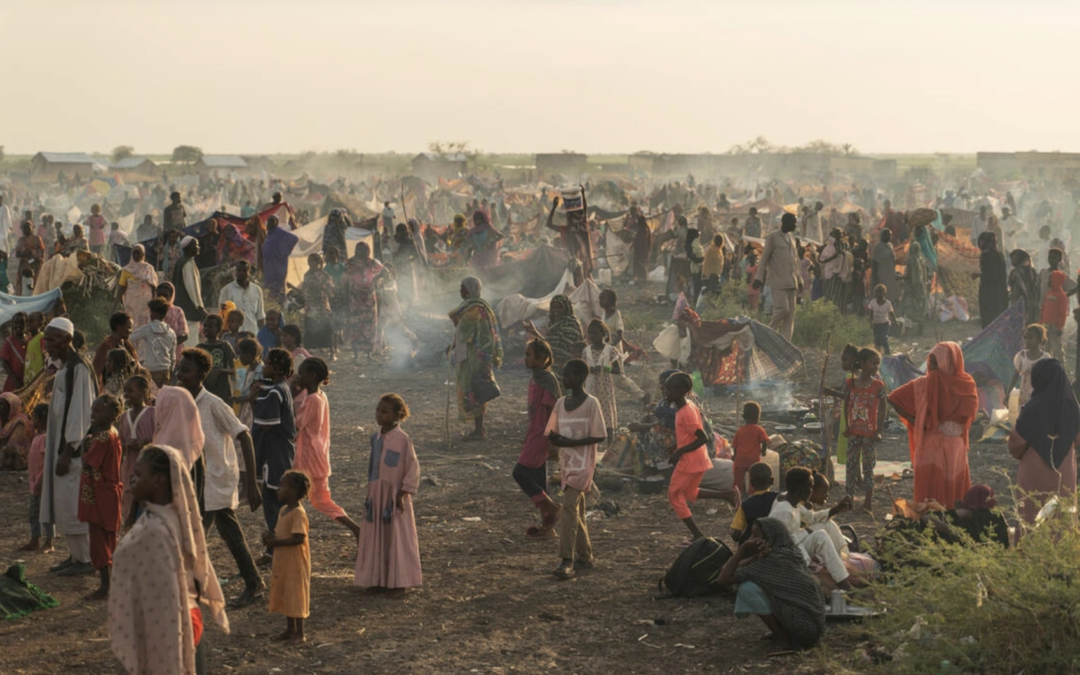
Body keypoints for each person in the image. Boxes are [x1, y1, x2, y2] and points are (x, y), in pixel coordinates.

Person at [109, 445, 229, 675]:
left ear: (158, 480)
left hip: (167, 632)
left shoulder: (157, 531)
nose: (132, 478)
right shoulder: (167, 518)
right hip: (179, 624)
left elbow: (166, 601)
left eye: (139, 473)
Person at [175, 348, 266, 608]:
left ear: (202, 374)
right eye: (179, 369)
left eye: (186, 371)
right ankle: (253, 582)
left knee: (194, 536)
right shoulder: (182, 402)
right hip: (194, 479)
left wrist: (251, 482)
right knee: (230, 534)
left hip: (215, 479)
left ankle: (190, 591)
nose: (180, 375)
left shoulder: (214, 404)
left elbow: (244, 435)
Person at [714, 518, 826, 650]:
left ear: (769, 539)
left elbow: (722, 579)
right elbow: (735, 570)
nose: (750, 539)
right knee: (768, 591)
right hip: (812, 627)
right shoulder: (791, 552)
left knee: (747, 589)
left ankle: (784, 640)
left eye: (755, 536)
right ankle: (782, 633)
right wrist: (755, 557)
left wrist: (742, 550)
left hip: (803, 629)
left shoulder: (770, 563)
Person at [42, 317, 98, 578]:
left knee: (73, 503)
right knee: (64, 503)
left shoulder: (79, 369)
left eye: (52, 339)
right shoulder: (65, 367)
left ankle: (85, 558)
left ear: (67, 339)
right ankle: (75, 555)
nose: (47, 344)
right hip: (61, 447)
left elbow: (81, 413)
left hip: (72, 452)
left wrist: (67, 451)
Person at [889, 342, 977, 506]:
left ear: (951, 362)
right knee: (941, 495)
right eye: (932, 363)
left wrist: (920, 420)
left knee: (940, 494)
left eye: (938, 362)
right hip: (940, 444)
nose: (934, 368)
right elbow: (894, 398)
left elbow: (894, 399)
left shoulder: (961, 383)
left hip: (949, 446)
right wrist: (917, 420)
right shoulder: (962, 384)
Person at [354, 393, 422, 589]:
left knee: (394, 537)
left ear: (397, 415)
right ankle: (376, 579)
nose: (379, 415)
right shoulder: (375, 438)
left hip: (394, 497)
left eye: (384, 412)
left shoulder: (402, 439)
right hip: (376, 494)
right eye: (377, 411)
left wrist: (402, 494)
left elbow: (412, 467)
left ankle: (396, 580)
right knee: (375, 536)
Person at [546, 359, 606, 579]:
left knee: (569, 508)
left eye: (569, 375)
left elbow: (600, 435)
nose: (564, 379)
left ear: (581, 377)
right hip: (567, 463)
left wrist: (569, 442)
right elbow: (552, 431)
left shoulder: (591, 403)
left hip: (583, 463)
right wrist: (556, 441)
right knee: (577, 510)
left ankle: (566, 560)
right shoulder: (561, 403)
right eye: (563, 374)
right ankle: (585, 555)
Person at [1010, 358, 1080, 530]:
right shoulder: (1072, 407)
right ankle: (1060, 554)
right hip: (1064, 469)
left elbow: (1016, 443)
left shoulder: (1032, 408)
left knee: (1031, 513)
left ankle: (1031, 551)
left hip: (1034, 468)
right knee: (1062, 514)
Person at [293, 357, 359, 536]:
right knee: (320, 500)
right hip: (317, 455)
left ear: (312, 376)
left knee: (303, 498)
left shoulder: (313, 399)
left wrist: (290, 395)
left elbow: (296, 425)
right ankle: (356, 530)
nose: (298, 378)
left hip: (309, 457)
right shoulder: (320, 396)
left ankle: (294, 534)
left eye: (301, 374)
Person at [665, 371, 730, 541]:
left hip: (690, 460)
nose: (667, 393)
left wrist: (679, 452)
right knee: (688, 492)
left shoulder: (686, 411)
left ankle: (697, 535)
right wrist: (676, 447)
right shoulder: (688, 406)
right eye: (666, 389)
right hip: (697, 458)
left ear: (683, 390)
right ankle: (727, 495)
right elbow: (690, 436)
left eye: (671, 389)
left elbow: (702, 437)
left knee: (674, 496)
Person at [769, 467, 853, 590]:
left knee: (821, 535)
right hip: (786, 557)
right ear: (804, 491)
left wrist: (837, 509)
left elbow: (810, 518)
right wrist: (811, 565)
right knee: (818, 537)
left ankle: (844, 581)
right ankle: (843, 584)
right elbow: (786, 544)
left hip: (796, 546)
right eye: (811, 487)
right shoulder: (784, 511)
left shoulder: (794, 503)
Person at [513, 339, 562, 537]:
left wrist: (551, 440)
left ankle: (550, 506)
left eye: (529, 355)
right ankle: (547, 526)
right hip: (535, 432)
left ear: (542, 358)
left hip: (543, 435)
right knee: (539, 478)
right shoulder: (535, 378)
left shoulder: (547, 380)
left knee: (521, 473)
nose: (525, 359)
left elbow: (554, 411)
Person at [77, 393, 123, 599]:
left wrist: (86, 445)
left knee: (99, 540)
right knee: (108, 538)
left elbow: (89, 462)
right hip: (109, 492)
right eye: (93, 410)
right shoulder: (112, 433)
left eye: (97, 411)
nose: (93, 415)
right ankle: (111, 583)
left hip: (99, 494)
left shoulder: (103, 437)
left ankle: (105, 587)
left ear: (112, 414)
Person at [253, 348, 297, 564]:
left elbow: (265, 425)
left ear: (277, 368)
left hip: (274, 455)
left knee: (273, 503)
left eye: (267, 362)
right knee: (275, 502)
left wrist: (253, 398)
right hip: (281, 452)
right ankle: (276, 547)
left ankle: (275, 549)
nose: (263, 366)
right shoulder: (281, 388)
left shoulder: (272, 393)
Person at [448, 277, 502, 440]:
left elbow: (485, 336)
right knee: (471, 390)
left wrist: (486, 360)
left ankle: (479, 429)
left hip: (477, 357)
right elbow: (462, 333)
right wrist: (452, 346)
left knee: (477, 390)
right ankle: (478, 429)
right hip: (469, 355)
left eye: (462, 288)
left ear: (470, 289)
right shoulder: (469, 308)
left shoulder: (478, 310)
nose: (460, 291)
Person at [262, 470, 310, 644]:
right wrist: (269, 537)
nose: (278, 489)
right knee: (286, 594)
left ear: (295, 490)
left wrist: (276, 543)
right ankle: (290, 629)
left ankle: (300, 633)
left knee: (296, 596)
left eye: (283, 486)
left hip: (295, 563)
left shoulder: (298, 513)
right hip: (283, 562)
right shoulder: (283, 510)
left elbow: (298, 538)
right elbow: (279, 532)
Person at [844, 348, 887, 513]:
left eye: (877, 363)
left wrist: (879, 430)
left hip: (870, 434)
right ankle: (849, 500)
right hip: (854, 432)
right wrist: (847, 426)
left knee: (868, 467)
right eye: (872, 362)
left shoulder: (878, 386)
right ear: (862, 363)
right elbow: (846, 404)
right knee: (851, 467)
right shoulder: (851, 383)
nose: (876, 366)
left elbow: (884, 408)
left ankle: (867, 503)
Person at [753, 212, 801, 341]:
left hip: (792, 282)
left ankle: (785, 344)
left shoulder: (792, 239)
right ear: (786, 223)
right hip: (778, 281)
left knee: (790, 317)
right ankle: (767, 334)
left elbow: (795, 261)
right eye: (794, 222)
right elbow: (764, 258)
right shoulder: (773, 237)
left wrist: (799, 279)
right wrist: (759, 277)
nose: (796, 225)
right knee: (782, 310)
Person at [341, 242, 386, 361]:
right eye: (359, 249)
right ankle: (356, 355)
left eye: (363, 249)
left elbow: (385, 271)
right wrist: (345, 298)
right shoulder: (350, 264)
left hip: (369, 300)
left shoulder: (372, 263)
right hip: (355, 300)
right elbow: (344, 282)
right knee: (356, 326)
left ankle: (368, 354)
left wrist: (377, 282)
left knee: (370, 326)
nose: (362, 252)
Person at [119, 375, 154, 525]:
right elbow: (120, 442)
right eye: (125, 391)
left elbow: (161, 438)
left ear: (142, 392)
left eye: (130, 391)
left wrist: (146, 443)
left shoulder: (153, 413)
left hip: (149, 469)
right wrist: (127, 446)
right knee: (129, 505)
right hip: (130, 468)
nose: (126, 395)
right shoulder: (124, 416)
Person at [20, 404, 53, 552]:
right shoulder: (37, 437)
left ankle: (49, 542)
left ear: (42, 419)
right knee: (33, 512)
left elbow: (48, 461)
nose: (32, 420)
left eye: (34, 417)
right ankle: (35, 539)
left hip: (42, 483)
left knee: (45, 513)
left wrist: (42, 480)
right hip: (35, 483)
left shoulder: (45, 438)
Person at [582, 319, 620, 440]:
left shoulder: (610, 350)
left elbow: (617, 370)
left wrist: (604, 368)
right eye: (590, 333)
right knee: (590, 415)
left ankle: (610, 444)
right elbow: (583, 368)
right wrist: (589, 370)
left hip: (605, 387)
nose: (592, 336)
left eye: (595, 333)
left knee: (607, 415)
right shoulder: (586, 351)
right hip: (590, 386)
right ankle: (592, 444)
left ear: (603, 334)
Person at [525, 294, 583, 371]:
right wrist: (534, 332)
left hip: (568, 369)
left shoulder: (571, 324)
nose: (556, 310)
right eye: (553, 307)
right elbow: (549, 346)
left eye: (559, 307)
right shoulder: (552, 325)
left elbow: (564, 349)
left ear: (566, 308)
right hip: (553, 367)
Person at [130, 298, 177, 387]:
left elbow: (131, 338)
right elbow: (172, 356)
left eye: (151, 312)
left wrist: (134, 354)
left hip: (151, 370)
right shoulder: (171, 332)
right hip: (165, 370)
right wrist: (171, 370)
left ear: (155, 314)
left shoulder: (147, 329)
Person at [730, 462, 779, 544]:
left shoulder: (746, 505)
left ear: (751, 483)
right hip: (774, 543)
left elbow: (735, 535)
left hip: (752, 546)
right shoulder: (779, 498)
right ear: (772, 481)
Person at [114, 244, 159, 329]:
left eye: (138, 253)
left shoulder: (148, 269)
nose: (136, 255)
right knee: (131, 326)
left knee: (145, 326)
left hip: (145, 305)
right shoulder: (126, 270)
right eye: (134, 253)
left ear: (143, 255)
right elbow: (122, 288)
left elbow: (153, 287)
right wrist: (116, 305)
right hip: (131, 305)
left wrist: (154, 303)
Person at [172, 236, 207, 343]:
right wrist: (199, 306)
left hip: (181, 305)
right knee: (191, 339)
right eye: (196, 245)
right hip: (189, 308)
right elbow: (192, 288)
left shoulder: (181, 261)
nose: (198, 248)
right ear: (188, 248)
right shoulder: (187, 263)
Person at [218, 260, 266, 334]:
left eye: (244, 271)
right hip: (233, 334)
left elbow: (260, 316)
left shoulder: (257, 290)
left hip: (252, 333)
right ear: (235, 272)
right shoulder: (226, 290)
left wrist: (263, 335)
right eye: (238, 270)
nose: (241, 273)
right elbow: (222, 315)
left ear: (249, 272)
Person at [197, 314, 236, 405]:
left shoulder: (224, 346)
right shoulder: (200, 348)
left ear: (218, 329)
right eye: (205, 326)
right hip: (204, 392)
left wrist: (220, 371)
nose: (206, 329)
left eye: (210, 326)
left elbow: (236, 370)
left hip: (222, 392)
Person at [1007, 324, 1049, 408]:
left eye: (1030, 338)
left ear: (1039, 339)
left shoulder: (1045, 358)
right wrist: (1008, 393)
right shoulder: (1022, 356)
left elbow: (1048, 379)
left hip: (1038, 395)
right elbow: (1015, 376)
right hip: (1024, 395)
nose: (1027, 341)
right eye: (1025, 338)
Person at [300, 252, 334, 353]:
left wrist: (321, 287)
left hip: (322, 304)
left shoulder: (324, 275)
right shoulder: (307, 274)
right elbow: (305, 289)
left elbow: (330, 289)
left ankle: (330, 350)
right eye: (309, 261)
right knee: (310, 326)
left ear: (318, 262)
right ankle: (310, 348)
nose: (310, 263)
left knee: (326, 327)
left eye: (312, 261)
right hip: (310, 305)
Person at [262, 215, 299, 309]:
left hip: (278, 266)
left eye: (272, 221)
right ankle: (271, 306)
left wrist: (283, 252)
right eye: (269, 221)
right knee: (269, 288)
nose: (270, 223)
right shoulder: (269, 234)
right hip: (269, 266)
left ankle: (280, 307)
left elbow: (294, 239)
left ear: (277, 223)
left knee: (277, 288)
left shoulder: (280, 233)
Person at [732, 401, 770, 494]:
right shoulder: (759, 430)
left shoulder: (740, 430)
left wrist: (734, 456)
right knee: (754, 477)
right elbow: (765, 441)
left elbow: (735, 446)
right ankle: (752, 493)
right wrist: (763, 451)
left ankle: (735, 494)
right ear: (758, 417)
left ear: (744, 417)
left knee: (738, 479)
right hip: (753, 459)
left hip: (741, 459)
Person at [92, 312, 138, 386]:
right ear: (119, 327)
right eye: (129, 327)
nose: (131, 331)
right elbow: (97, 371)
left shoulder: (127, 346)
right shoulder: (106, 346)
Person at [975, 232, 1008, 328]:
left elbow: (991, 274)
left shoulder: (988, 255)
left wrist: (980, 274)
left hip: (990, 292)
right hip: (1000, 290)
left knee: (989, 317)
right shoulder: (998, 253)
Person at [157, 282, 189, 363]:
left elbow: (184, 335)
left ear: (171, 296)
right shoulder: (152, 312)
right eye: (159, 295)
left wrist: (170, 345)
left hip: (175, 353)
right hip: (156, 353)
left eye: (165, 296)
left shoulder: (177, 311)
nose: (162, 299)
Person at [236, 337, 263, 428]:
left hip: (253, 407)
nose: (239, 358)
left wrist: (241, 399)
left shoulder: (260, 369)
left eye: (241, 355)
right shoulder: (249, 368)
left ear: (250, 354)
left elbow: (256, 392)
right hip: (246, 408)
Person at [1009, 249, 1040, 327]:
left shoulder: (1015, 273)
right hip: (1032, 302)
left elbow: (1012, 286)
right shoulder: (1032, 271)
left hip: (1019, 301)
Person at [14, 220, 45, 295]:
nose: (26, 230)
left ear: (32, 228)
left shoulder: (37, 239)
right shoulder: (21, 240)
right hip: (24, 262)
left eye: (28, 228)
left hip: (35, 262)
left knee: (37, 280)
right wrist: (24, 254)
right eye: (24, 228)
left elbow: (42, 251)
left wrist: (33, 253)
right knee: (20, 281)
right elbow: (17, 253)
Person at [0, 311, 27, 393]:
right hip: (13, 382)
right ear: (12, 324)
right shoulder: (9, 341)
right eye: (16, 323)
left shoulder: (29, 340)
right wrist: (15, 380)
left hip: (27, 379)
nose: (18, 326)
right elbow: (4, 362)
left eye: (22, 323)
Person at [870, 228, 897, 303]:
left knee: (890, 293)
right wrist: (875, 276)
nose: (890, 237)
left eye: (890, 235)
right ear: (882, 236)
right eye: (888, 235)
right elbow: (874, 262)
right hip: (881, 273)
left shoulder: (890, 245)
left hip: (890, 273)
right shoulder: (878, 247)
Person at [868, 284, 897, 355]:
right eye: (877, 292)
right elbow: (871, 315)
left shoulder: (887, 303)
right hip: (876, 325)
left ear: (884, 293)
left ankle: (888, 353)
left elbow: (891, 313)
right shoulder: (872, 303)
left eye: (880, 292)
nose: (879, 294)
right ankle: (877, 356)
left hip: (885, 324)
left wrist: (895, 322)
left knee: (883, 338)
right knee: (877, 342)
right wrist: (871, 323)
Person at [23, 311, 46, 385]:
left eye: (32, 321)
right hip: (29, 376)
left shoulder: (42, 337)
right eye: (27, 322)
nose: (28, 324)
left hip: (38, 377)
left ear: (40, 323)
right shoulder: (28, 339)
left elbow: (45, 356)